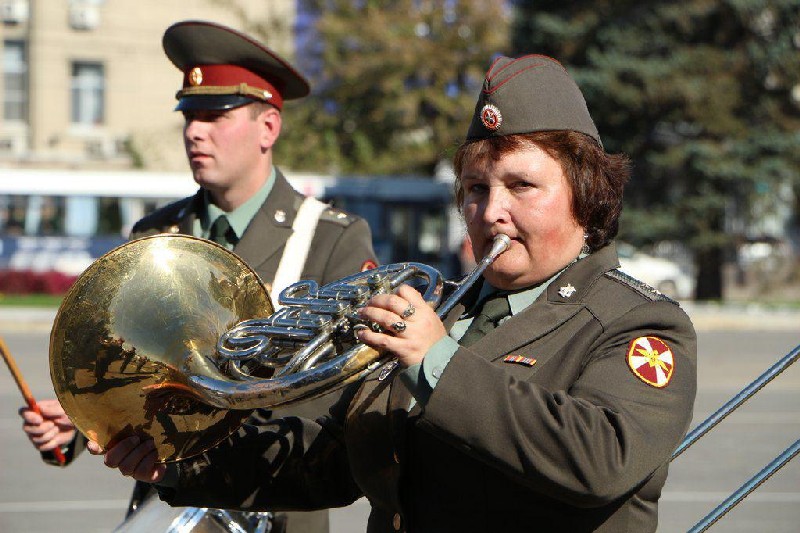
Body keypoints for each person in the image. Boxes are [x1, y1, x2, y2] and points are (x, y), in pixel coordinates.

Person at [87, 54, 697, 532]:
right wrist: (180, 459)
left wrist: (436, 360)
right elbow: (322, 465)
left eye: (522, 185)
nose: (493, 212)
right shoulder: (448, 306)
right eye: (477, 189)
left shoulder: (637, 321)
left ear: (587, 194)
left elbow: (597, 458)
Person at [19, 20, 377, 533]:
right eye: (189, 115)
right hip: (169, 511)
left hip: (272, 508)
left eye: (214, 115)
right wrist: (79, 427)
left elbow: (331, 401)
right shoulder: (157, 234)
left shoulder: (331, 238)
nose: (194, 131)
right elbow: (133, 363)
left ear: (268, 128)